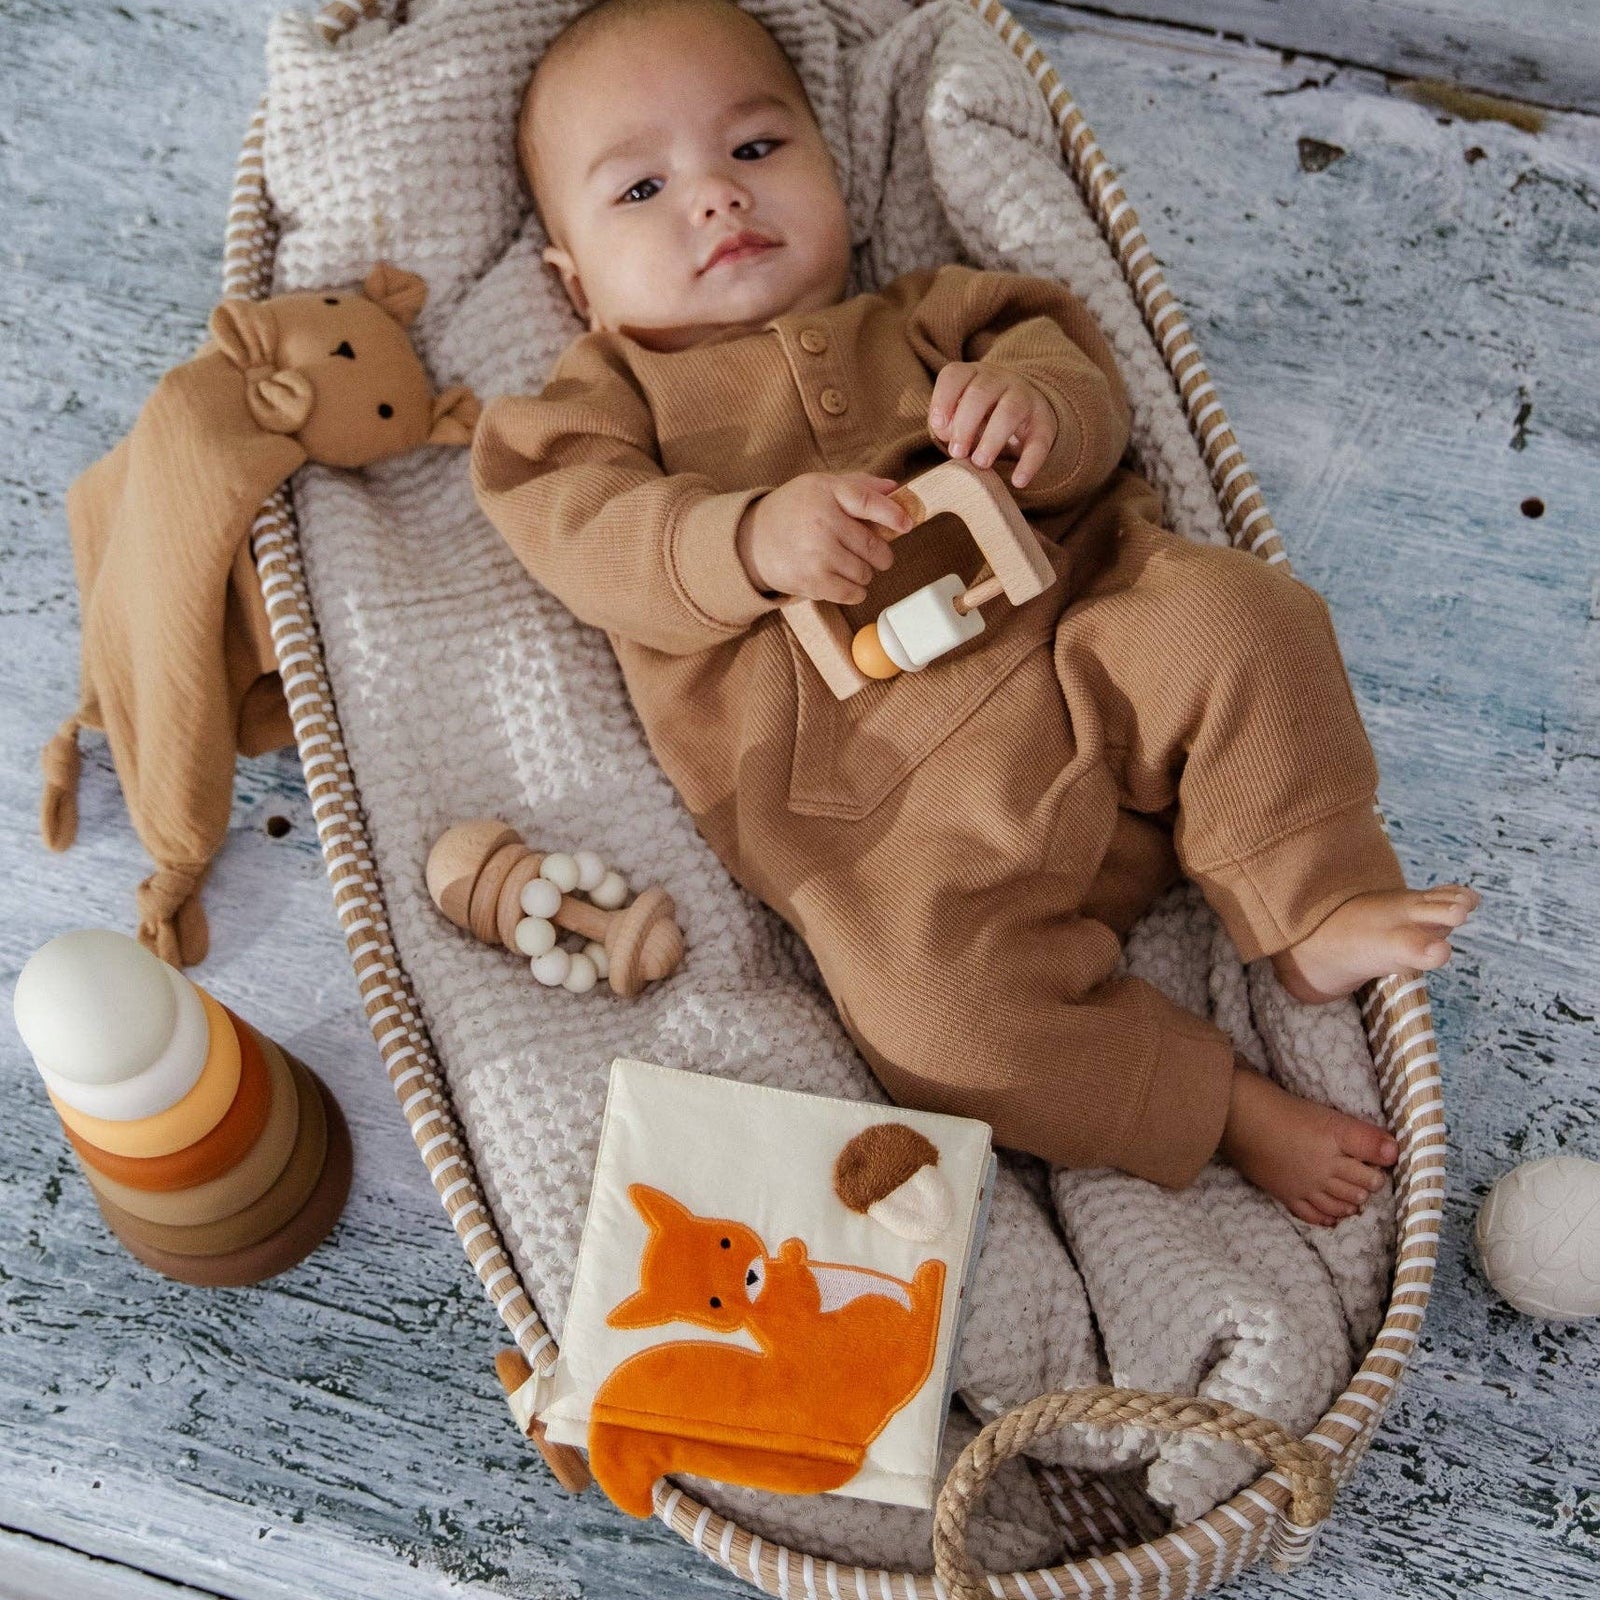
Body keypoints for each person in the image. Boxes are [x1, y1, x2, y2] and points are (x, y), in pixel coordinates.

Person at [471, 0, 1479, 1225]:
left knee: (1241, 616)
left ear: (831, 168)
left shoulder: (935, 314)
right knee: (930, 1026)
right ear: (571, 282)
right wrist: (739, 538)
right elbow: (579, 531)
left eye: (754, 149)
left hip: (1088, 645)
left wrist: (1034, 417)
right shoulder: (601, 403)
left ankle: (1308, 902)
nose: (717, 199)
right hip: (892, 830)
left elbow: (1078, 377)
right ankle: (1216, 1105)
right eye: (640, 188)